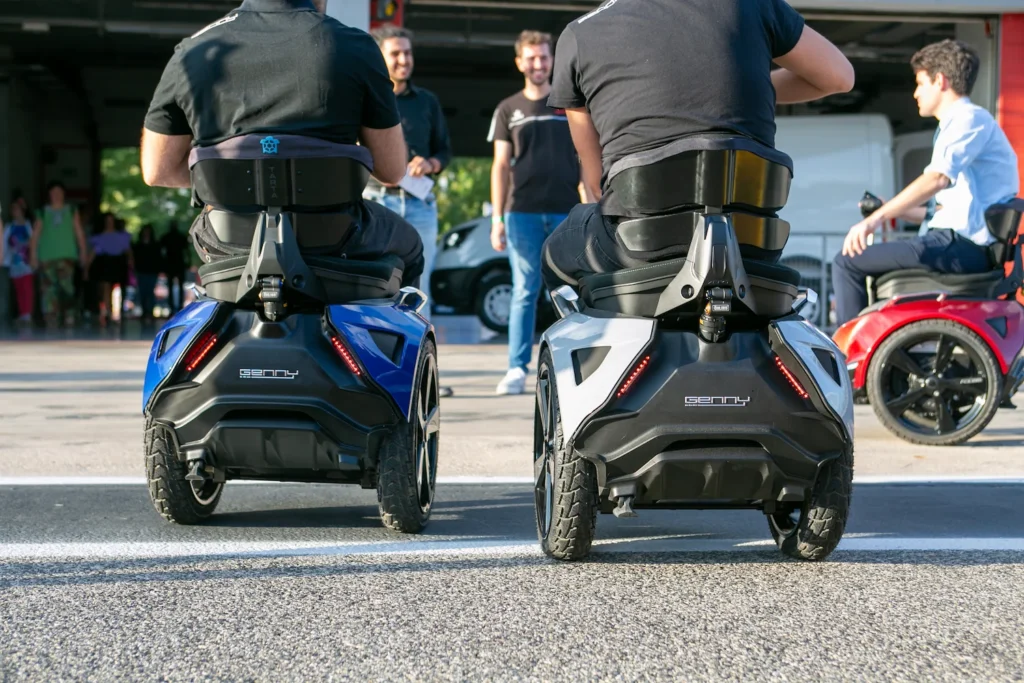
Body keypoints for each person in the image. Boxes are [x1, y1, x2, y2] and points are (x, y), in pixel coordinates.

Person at [540, 0, 854, 291]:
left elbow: (596, 185)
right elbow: (839, 77)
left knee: (556, 254)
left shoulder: (579, 35)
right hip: (751, 246)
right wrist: (746, 82)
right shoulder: (750, 4)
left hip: (635, 247)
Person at [139, 0, 424, 289]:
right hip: (336, 236)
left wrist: (236, 181)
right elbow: (391, 170)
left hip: (228, 238)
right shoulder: (356, 46)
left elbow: (157, 171)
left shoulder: (192, 51)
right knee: (411, 246)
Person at [832, 39, 1020, 326]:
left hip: (961, 246)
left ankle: (845, 351)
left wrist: (872, 221)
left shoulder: (967, 120)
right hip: (959, 243)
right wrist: (889, 208)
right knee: (870, 266)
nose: (915, 93)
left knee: (846, 262)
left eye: (920, 83)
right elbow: (946, 211)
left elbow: (937, 179)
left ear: (940, 81)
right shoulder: (965, 124)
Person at [488, 30, 585, 395]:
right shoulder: (507, 109)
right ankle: (516, 369)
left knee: (571, 292)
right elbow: (500, 166)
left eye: (544, 57)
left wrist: (591, 205)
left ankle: (575, 368)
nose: (538, 63)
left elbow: (584, 156)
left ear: (552, 60)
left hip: (566, 212)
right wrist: (497, 220)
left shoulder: (568, 104)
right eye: (531, 58)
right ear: (519, 63)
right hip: (521, 214)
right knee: (524, 291)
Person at [367, 25, 455, 397]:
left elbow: (444, 151)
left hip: (419, 205)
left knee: (420, 289)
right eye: (396, 53)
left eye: (408, 52)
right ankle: (375, 375)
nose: (404, 60)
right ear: (381, 58)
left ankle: (424, 377)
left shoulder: (427, 101)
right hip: (377, 202)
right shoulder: (368, 97)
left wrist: (430, 163)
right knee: (374, 285)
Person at [29, 181, 88, 329]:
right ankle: (51, 317)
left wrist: (83, 252)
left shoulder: (71, 210)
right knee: (48, 290)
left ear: (63, 194)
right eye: (53, 192)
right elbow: (35, 236)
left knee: (67, 287)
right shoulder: (42, 212)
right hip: (47, 257)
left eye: (59, 192)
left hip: (66, 256)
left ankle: (69, 315)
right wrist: (33, 256)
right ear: (49, 195)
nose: (56, 195)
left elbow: (79, 232)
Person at [87, 213, 134, 327]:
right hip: (106, 263)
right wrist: (86, 267)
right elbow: (93, 253)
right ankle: (108, 312)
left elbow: (127, 250)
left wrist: (131, 261)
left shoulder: (121, 237)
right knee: (106, 288)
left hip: (118, 263)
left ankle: (119, 312)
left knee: (119, 288)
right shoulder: (99, 237)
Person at [2, 200, 35, 325]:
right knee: (18, 289)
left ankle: (28, 314)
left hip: (26, 262)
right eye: (13, 209)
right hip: (15, 262)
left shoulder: (29, 225)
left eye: (16, 209)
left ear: (22, 210)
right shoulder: (9, 227)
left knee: (27, 288)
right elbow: (3, 243)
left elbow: (34, 241)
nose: (14, 211)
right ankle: (22, 314)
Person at [134, 224, 164, 324]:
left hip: (151, 271)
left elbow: (158, 258)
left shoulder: (155, 245)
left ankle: (150, 312)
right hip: (141, 271)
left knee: (150, 292)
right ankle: (144, 311)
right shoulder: (138, 245)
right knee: (142, 292)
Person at [160, 221, 190, 314]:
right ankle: (177, 306)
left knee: (173, 286)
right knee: (177, 286)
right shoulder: (179, 237)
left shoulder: (167, 237)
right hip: (176, 263)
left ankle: (174, 307)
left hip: (173, 263)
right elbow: (187, 251)